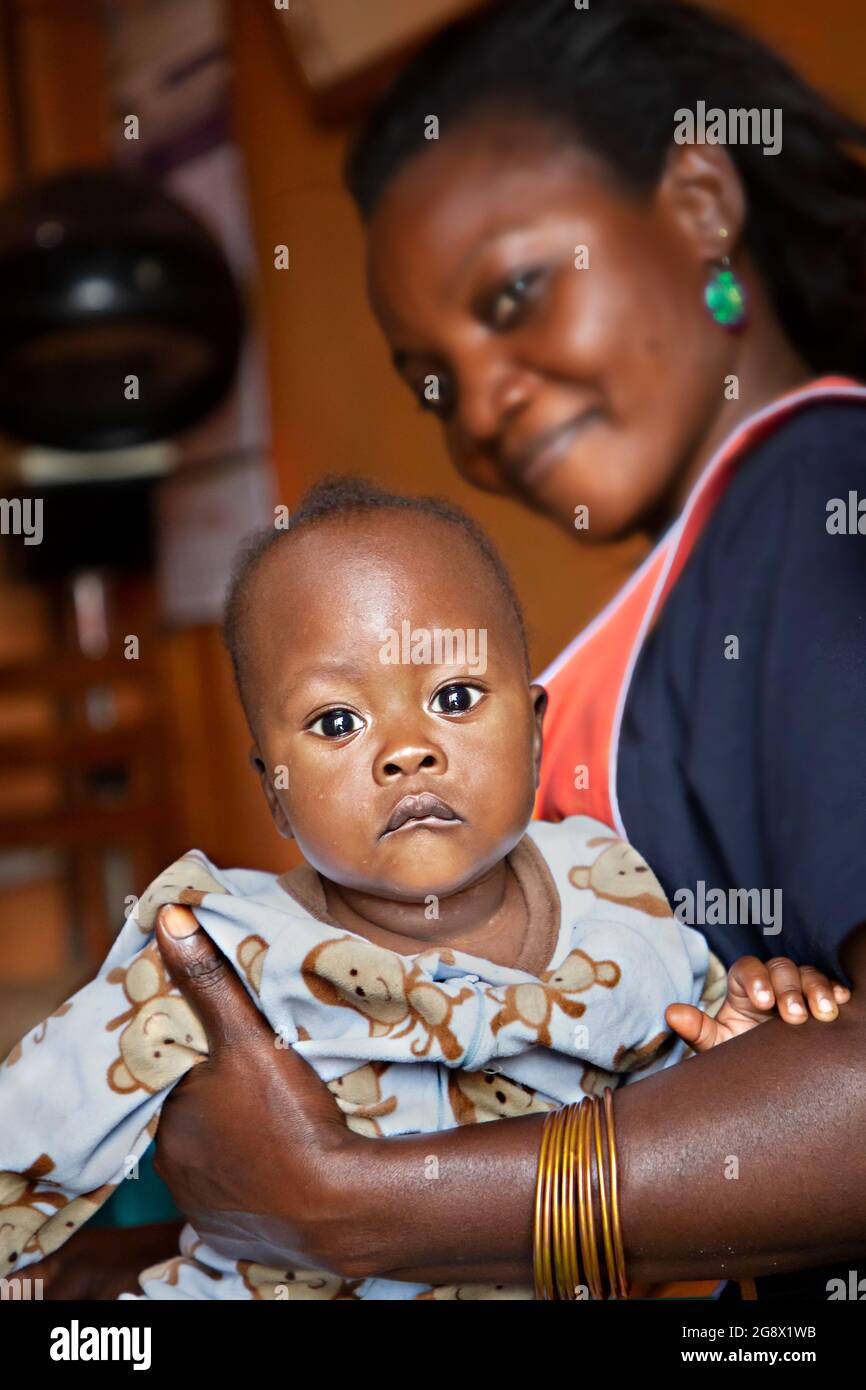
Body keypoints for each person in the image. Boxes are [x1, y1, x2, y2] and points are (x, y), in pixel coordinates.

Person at [23, 0, 866, 1299]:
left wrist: (356, 1205)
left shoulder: (819, 510)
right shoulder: (712, 566)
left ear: (698, 204)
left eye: (513, 293)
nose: (479, 404)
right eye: (432, 375)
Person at [6, 478, 844, 1300]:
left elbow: (702, 1109)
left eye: (454, 697)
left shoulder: (616, 891)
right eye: (338, 722)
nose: (408, 750)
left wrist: (750, 1031)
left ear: (536, 731)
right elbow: (28, 1134)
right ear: (276, 789)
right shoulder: (216, 947)